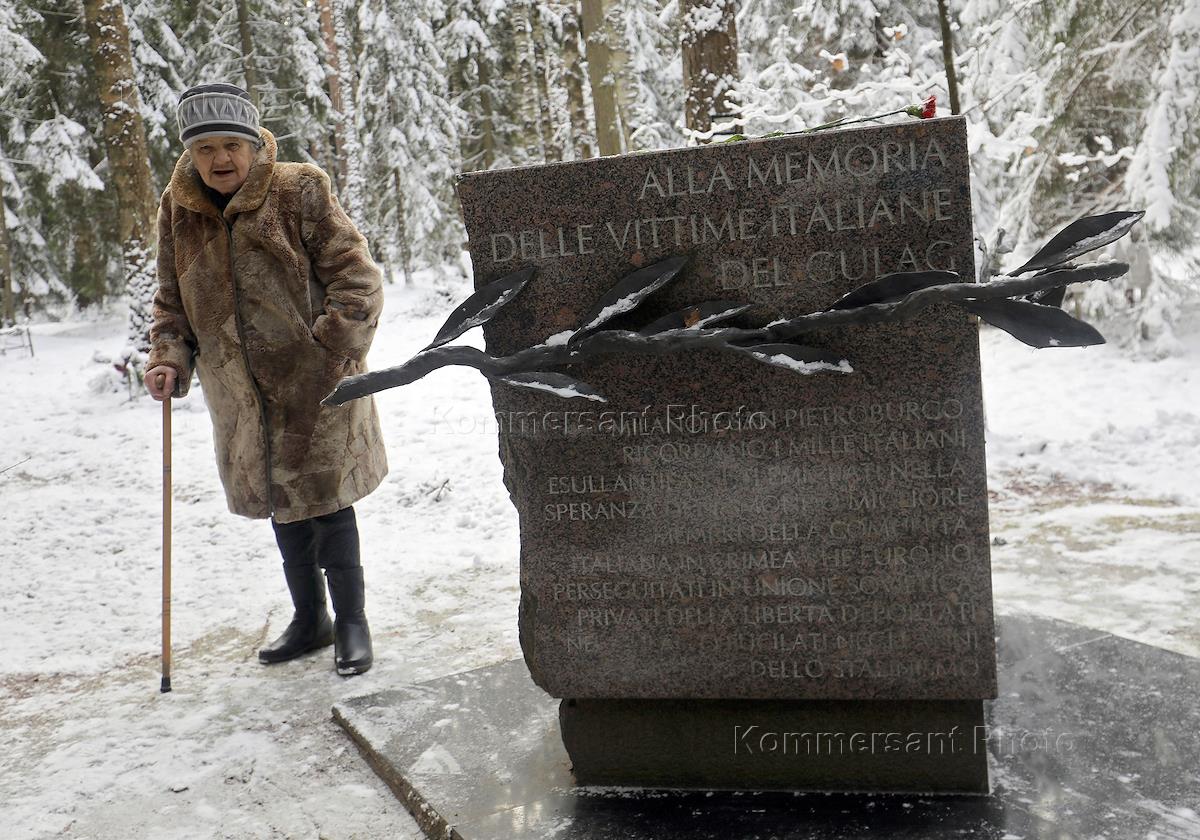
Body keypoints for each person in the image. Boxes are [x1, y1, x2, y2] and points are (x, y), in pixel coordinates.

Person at [143, 83, 388, 676]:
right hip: (239, 395)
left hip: (316, 386)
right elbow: (171, 301)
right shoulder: (179, 210)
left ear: (253, 144)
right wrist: (168, 357)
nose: (220, 159)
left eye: (231, 144)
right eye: (205, 148)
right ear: (190, 154)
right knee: (282, 505)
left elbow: (357, 278)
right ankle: (310, 619)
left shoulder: (298, 189)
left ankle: (351, 622)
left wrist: (329, 350)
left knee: (328, 503)